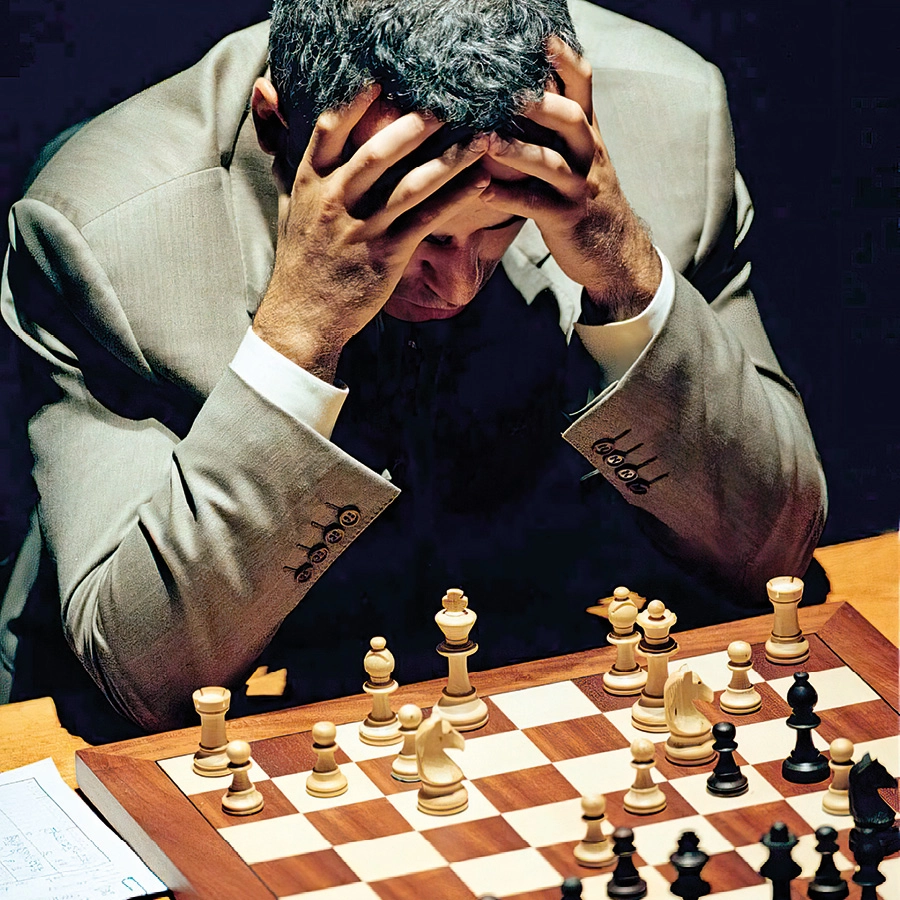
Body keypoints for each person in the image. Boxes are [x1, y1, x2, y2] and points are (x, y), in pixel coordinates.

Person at [1, 0, 827, 741]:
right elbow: (144, 676)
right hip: (237, 719)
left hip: (541, 669)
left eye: (501, 223)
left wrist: (626, 272)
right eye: (413, 232)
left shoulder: (671, 123)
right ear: (276, 128)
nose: (458, 284)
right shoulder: (105, 235)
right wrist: (299, 332)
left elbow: (776, 552)